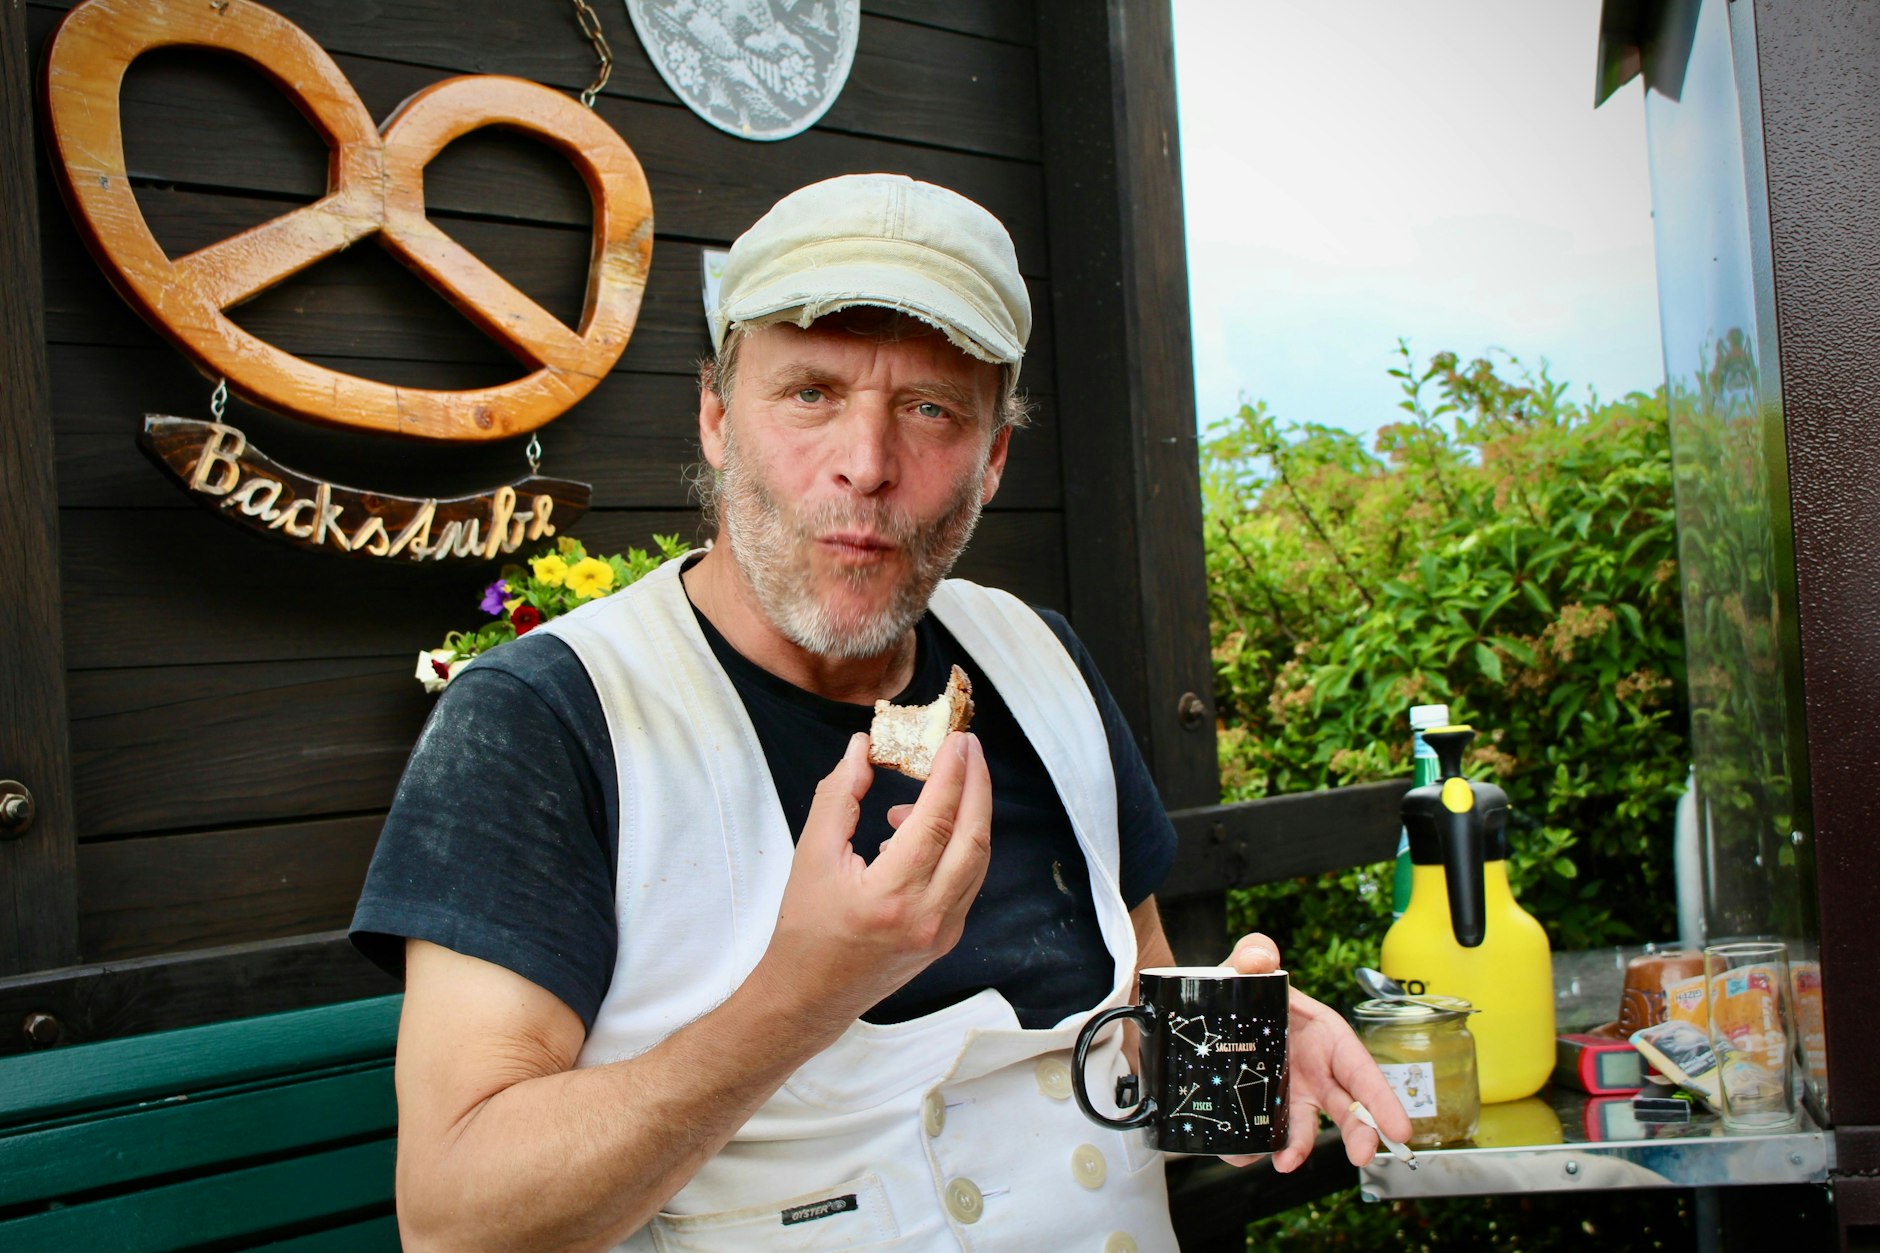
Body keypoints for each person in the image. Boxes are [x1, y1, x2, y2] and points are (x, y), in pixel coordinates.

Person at [351, 173, 1410, 1252]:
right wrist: (805, 991)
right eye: (808, 392)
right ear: (718, 419)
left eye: (928, 408)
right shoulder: (544, 720)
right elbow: (454, 1217)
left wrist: (1227, 1042)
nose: (864, 464)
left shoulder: (1038, 663)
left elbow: (1128, 985)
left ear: (993, 456)